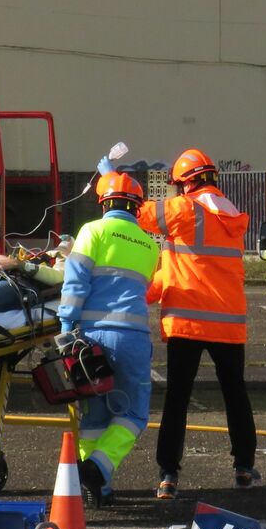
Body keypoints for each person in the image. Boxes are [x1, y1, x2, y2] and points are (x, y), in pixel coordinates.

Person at [138, 148, 258, 499]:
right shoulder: (231, 215)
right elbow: (177, 270)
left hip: (188, 323)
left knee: (177, 398)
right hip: (228, 325)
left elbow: (140, 213)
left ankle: (168, 475)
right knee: (235, 395)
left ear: (185, 184)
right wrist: (147, 293)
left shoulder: (186, 209)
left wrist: (110, 179)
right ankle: (244, 467)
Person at [58, 170, 161, 507]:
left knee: (95, 415)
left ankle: (95, 480)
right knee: (133, 415)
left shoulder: (92, 231)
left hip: (90, 337)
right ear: (136, 208)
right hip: (132, 337)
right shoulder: (148, 244)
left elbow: (75, 284)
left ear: (103, 204)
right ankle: (98, 472)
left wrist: (66, 327)